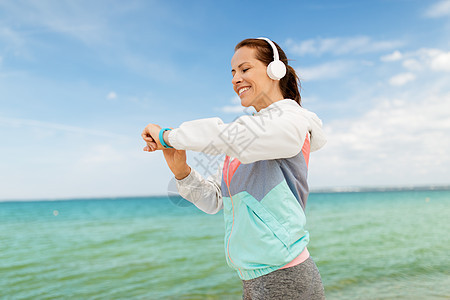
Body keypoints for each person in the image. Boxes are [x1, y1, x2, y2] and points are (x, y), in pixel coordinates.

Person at [142, 37, 327, 299]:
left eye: (245, 69)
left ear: (275, 70)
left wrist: (168, 136)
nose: (235, 79)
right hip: (252, 280)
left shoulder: (291, 121)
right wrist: (181, 171)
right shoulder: (248, 138)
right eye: (232, 72)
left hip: (285, 278)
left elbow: (230, 136)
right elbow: (214, 200)